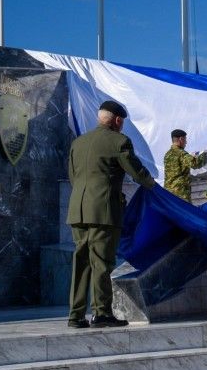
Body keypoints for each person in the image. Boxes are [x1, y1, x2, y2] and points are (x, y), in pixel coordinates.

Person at [67, 100, 156, 328]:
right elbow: (136, 171)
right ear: (117, 120)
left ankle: (76, 315)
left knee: (81, 262)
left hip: (78, 211)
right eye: (122, 122)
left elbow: (73, 176)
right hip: (104, 211)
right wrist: (152, 185)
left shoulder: (78, 143)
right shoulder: (119, 141)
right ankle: (102, 313)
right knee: (102, 263)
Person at [163, 128, 207, 203]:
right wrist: (205, 155)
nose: (186, 142)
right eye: (185, 139)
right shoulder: (181, 153)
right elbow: (195, 164)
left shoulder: (167, 154)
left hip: (168, 193)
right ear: (181, 139)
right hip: (180, 193)